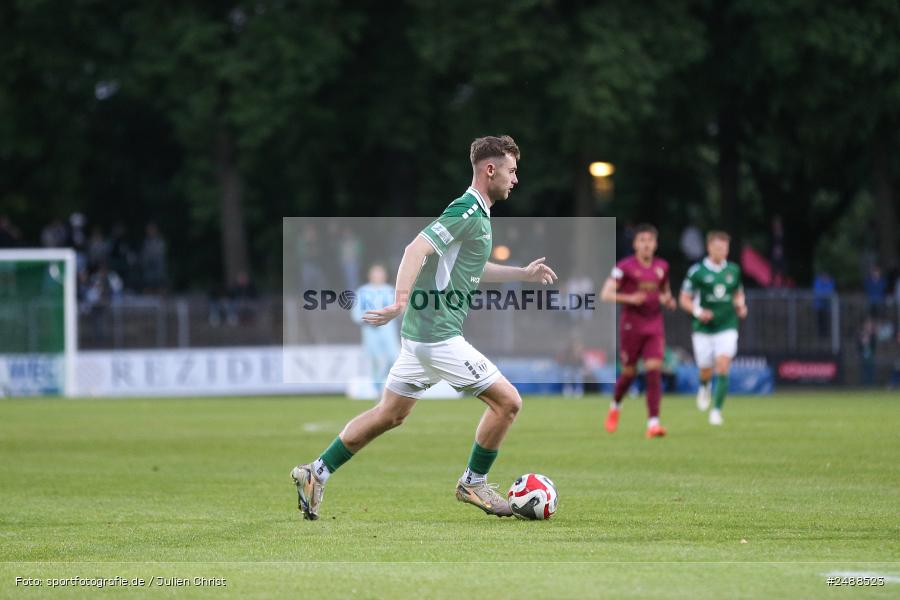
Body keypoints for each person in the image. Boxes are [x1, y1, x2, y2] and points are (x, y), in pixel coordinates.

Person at [291, 135, 558, 520]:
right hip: (438, 335)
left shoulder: (479, 216)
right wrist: (400, 300)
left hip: (421, 338)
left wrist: (523, 274)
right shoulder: (466, 210)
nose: (515, 179)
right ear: (490, 170)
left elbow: (473, 268)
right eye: (512, 171)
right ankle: (473, 482)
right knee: (508, 402)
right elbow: (415, 249)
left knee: (390, 415)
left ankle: (315, 472)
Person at [600, 223, 675, 438]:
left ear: (655, 244)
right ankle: (615, 406)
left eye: (650, 240)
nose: (646, 245)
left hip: (654, 325)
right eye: (642, 240)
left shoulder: (662, 266)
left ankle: (653, 423)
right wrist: (630, 298)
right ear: (635, 244)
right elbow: (605, 294)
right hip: (631, 325)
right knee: (629, 373)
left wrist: (668, 300)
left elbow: (664, 292)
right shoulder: (624, 266)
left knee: (654, 370)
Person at [679, 231, 748, 426]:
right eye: (718, 248)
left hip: (727, 325)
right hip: (703, 328)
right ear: (709, 248)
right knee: (705, 369)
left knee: (723, 365)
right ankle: (704, 385)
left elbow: (737, 294)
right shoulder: (697, 272)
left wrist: (741, 305)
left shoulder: (733, 270)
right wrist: (698, 312)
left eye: (725, 248)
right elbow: (684, 299)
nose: (722, 251)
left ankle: (716, 411)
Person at [351, 264, 400, 392]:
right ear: (370, 276)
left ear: (385, 275)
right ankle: (378, 389)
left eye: (380, 273)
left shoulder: (391, 291)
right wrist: (369, 321)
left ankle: (385, 382)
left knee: (393, 357)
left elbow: (399, 310)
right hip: (371, 331)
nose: (378, 276)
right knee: (376, 360)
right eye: (375, 273)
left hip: (388, 331)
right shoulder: (362, 291)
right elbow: (356, 314)